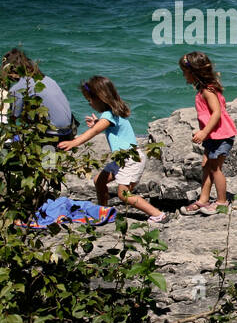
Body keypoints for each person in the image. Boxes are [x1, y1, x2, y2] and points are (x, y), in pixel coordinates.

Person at [57, 76, 165, 223]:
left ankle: (158, 214)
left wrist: (74, 142)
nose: (89, 104)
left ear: (100, 98)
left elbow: (95, 132)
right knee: (99, 181)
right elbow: (107, 127)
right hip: (122, 158)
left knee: (124, 194)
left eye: (89, 100)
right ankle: (103, 212)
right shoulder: (111, 114)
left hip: (131, 159)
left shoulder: (108, 115)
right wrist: (97, 122)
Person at [177, 52, 237, 215]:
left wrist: (203, 131)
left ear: (194, 72)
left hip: (221, 135)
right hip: (214, 135)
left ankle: (221, 202)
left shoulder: (208, 91)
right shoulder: (206, 88)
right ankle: (203, 200)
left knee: (215, 168)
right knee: (206, 166)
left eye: (185, 72)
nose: (184, 76)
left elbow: (216, 113)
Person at [1, 49, 75, 142]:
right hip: (70, 131)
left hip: (53, 135)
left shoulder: (17, 89)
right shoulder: (47, 79)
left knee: (7, 141)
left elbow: (13, 118)